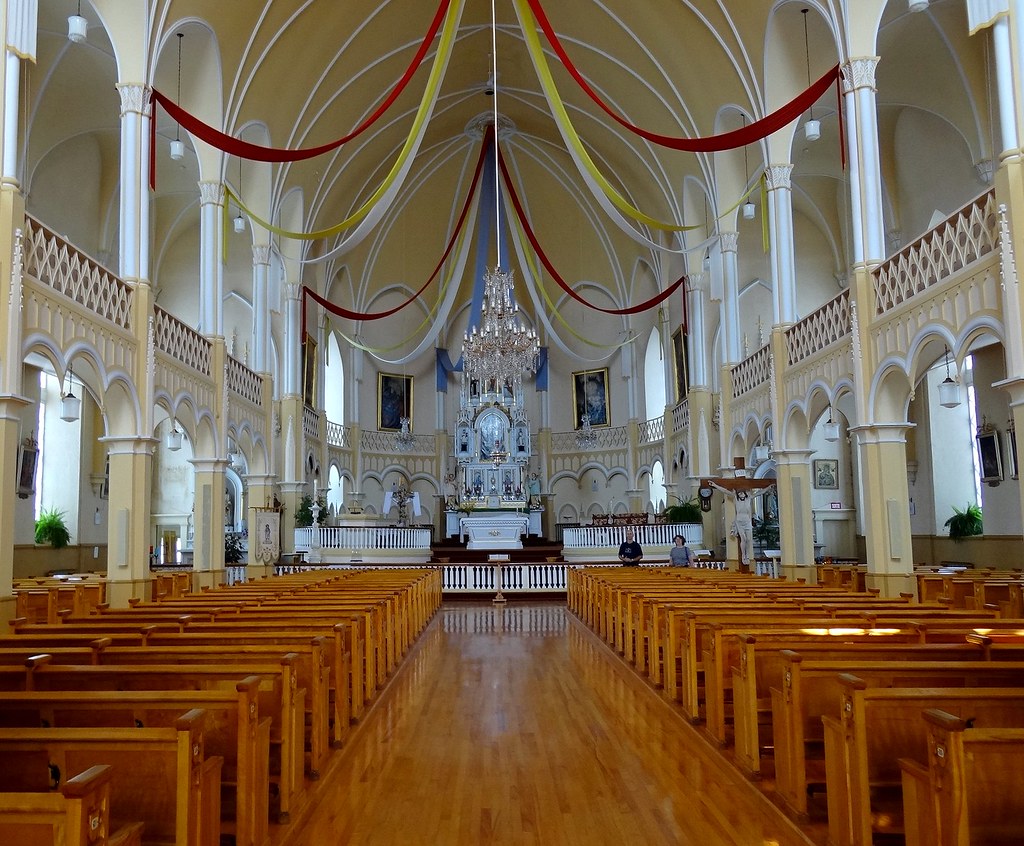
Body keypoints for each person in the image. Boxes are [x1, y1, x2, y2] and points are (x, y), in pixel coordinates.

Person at [709, 481, 770, 570]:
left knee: (749, 539)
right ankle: (743, 555)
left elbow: (759, 492)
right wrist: (715, 485)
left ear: (745, 493)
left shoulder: (749, 498)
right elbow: (725, 491)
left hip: (747, 521)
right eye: (739, 492)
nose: (741, 494)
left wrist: (768, 487)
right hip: (739, 521)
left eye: (742, 492)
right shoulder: (735, 498)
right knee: (743, 539)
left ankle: (748, 554)